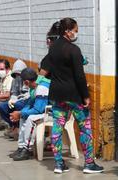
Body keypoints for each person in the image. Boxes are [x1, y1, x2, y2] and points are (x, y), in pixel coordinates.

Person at [45, 17, 103, 174]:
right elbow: (79, 75)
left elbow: (48, 70)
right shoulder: (74, 50)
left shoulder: (53, 48)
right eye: (75, 30)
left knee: (58, 126)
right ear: (67, 31)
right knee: (85, 127)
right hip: (74, 95)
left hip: (57, 94)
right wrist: (85, 96)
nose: (76, 33)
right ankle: (89, 163)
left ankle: (58, 164)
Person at [9, 68, 50, 161]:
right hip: (42, 111)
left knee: (30, 118)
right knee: (24, 116)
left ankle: (27, 149)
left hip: (51, 112)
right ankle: (21, 147)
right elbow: (30, 104)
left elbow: (38, 109)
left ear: (27, 82)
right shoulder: (33, 87)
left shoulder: (42, 87)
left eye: (24, 82)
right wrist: (20, 113)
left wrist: (20, 113)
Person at [0, 59, 27, 139]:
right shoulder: (15, 80)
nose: (18, 76)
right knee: (2, 106)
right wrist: (12, 99)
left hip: (25, 101)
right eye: (16, 74)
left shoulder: (27, 80)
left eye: (19, 74)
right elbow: (14, 93)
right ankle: (13, 126)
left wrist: (18, 99)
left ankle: (18, 127)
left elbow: (27, 94)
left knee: (17, 105)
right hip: (17, 100)